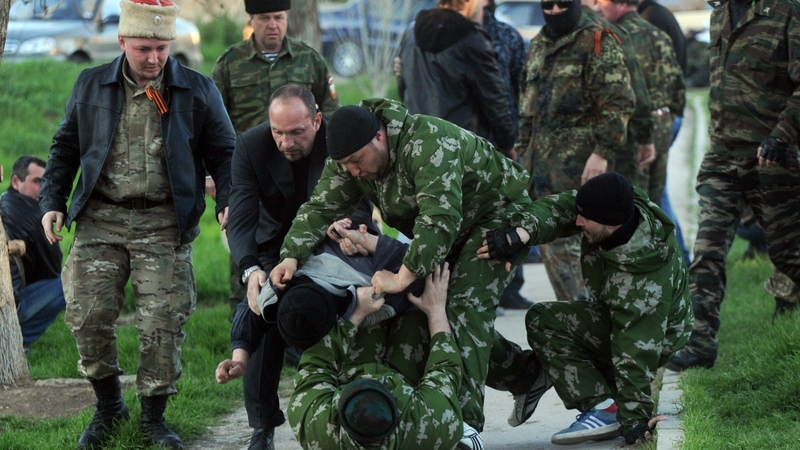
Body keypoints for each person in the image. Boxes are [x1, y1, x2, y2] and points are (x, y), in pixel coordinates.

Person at [269, 99, 538, 432]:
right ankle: (529, 374)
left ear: (380, 137)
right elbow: (319, 209)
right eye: (346, 165)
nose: (354, 171)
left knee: (462, 308)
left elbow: (439, 220)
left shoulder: (427, 142)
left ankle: (462, 429)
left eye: (357, 161)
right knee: (425, 309)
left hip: (497, 218)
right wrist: (290, 256)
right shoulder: (349, 161)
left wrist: (401, 277)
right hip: (450, 231)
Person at [38, 1, 235, 448]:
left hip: (164, 221)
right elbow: (65, 147)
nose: (154, 59)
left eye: (162, 48)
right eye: (144, 48)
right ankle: (108, 406)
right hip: (100, 218)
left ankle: (153, 417)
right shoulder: (91, 84)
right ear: (122, 42)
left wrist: (229, 201)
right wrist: (52, 201)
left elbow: (226, 154)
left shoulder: (197, 90)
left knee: (162, 323)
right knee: (87, 317)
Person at [480, 172, 692, 446]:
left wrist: (635, 420)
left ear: (611, 223)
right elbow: (559, 208)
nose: (577, 222)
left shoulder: (641, 282)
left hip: (659, 336)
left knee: (549, 324)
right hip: (623, 317)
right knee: (544, 317)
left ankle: (605, 409)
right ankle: (590, 390)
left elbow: (635, 352)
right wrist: (521, 234)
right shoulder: (617, 208)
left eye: (585, 219)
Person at [665, 0, 800, 371]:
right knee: (707, 248)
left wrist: (782, 136)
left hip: (771, 156)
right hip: (723, 156)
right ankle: (700, 343)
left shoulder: (786, 10)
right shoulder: (719, 14)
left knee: (789, 255)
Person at [224, 84, 351, 450]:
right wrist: (250, 269)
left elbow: (359, 196)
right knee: (261, 305)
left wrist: (347, 230)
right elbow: (242, 216)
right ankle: (262, 427)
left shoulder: (337, 138)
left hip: (336, 238)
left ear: (317, 120)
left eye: (297, 132)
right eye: (277, 132)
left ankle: (350, 409)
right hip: (273, 245)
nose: (286, 142)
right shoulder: (250, 145)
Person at [515, 0, 636, 302]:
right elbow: (528, 109)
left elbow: (617, 102)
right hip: (540, 172)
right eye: (548, 5)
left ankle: (593, 328)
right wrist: (520, 151)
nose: (555, 10)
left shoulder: (597, 40)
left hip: (581, 170)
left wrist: (602, 152)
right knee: (556, 256)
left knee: (581, 256)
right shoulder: (539, 44)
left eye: (562, 4)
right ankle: (581, 326)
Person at [595, 0, 685, 207]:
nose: (598, 7)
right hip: (662, 123)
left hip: (635, 128)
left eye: (602, 2)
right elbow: (678, 84)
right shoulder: (658, 34)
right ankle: (663, 239)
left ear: (621, 5)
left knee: (632, 202)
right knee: (655, 202)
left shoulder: (617, 37)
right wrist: (667, 116)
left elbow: (622, 90)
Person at [397, 0, 517, 155]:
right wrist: (507, 144)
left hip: (422, 145)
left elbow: (403, 87)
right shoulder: (471, 38)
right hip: (464, 149)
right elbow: (495, 99)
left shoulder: (411, 33)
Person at [0, 156, 65, 353]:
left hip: (6, 301)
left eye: (45, 183)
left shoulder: (4, 201)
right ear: (16, 182)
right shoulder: (34, 214)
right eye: (37, 182)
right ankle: (19, 341)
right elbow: (54, 268)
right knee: (73, 280)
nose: (42, 189)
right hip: (8, 307)